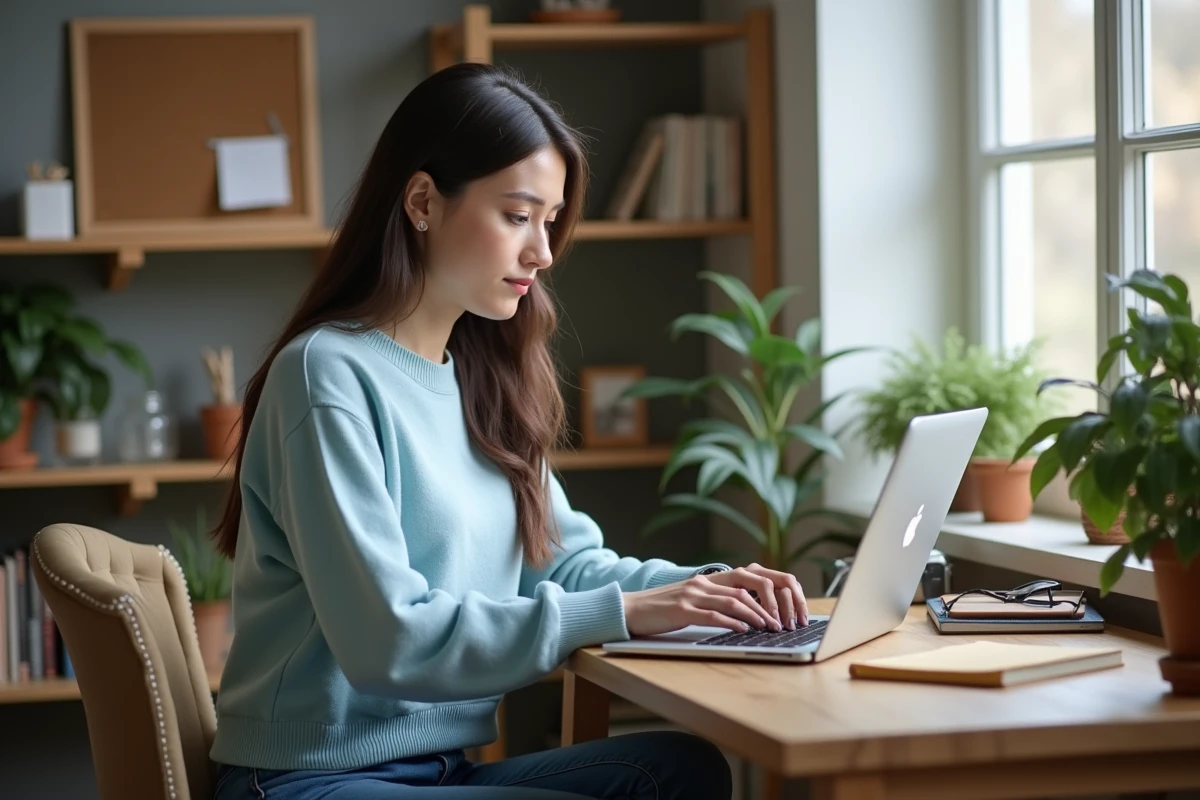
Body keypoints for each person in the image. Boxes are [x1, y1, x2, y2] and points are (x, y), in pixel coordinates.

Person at [207, 62, 808, 800]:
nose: (542, 252)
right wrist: (629, 612)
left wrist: (711, 592)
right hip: (308, 777)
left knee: (680, 771)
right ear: (423, 202)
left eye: (550, 222)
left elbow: (567, 567)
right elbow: (386, 643)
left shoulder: (481, 379)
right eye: (518, 216)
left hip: (438, 768)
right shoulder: (326, 374)